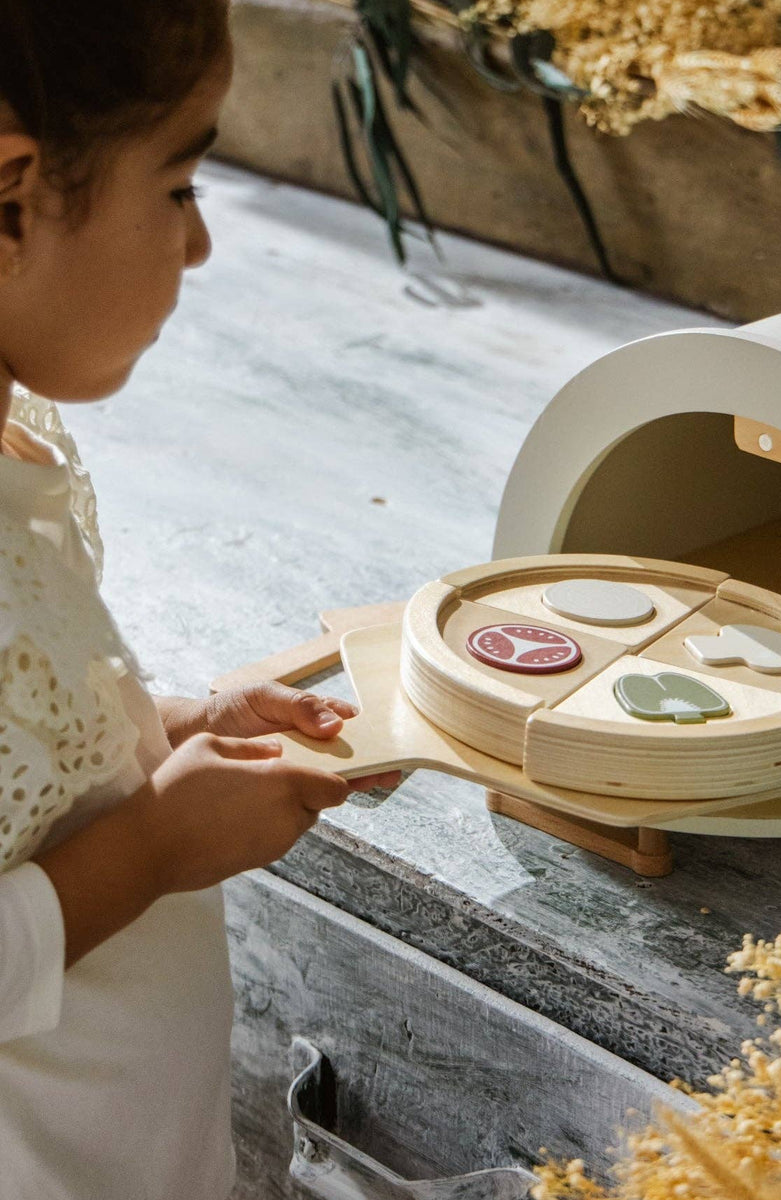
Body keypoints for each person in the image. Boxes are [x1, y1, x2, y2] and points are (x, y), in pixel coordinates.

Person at [0, 2, 402, 1195]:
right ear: (10, 200)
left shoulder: (21, 443)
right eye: (178, 187)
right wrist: (156, 846)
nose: (201, 243)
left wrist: (176, 730)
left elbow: (29, 764)